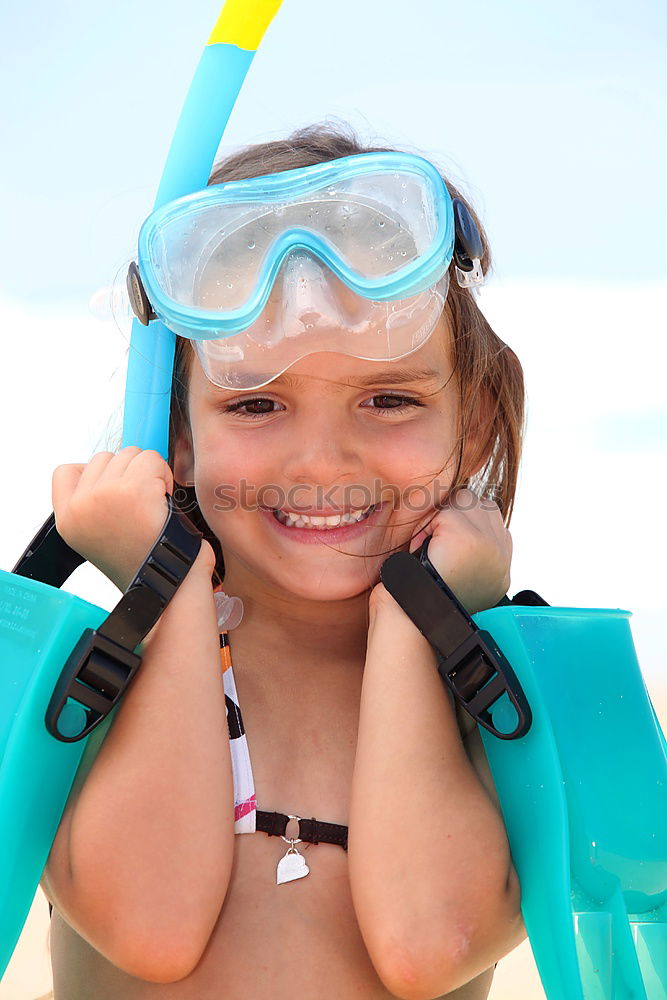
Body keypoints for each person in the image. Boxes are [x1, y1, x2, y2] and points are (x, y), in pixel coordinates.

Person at [42, 122, 528, 1000]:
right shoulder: (84, 683)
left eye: (389, 398)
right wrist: (166, 586)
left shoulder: (501, 708)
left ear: (479, 420)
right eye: (258, 403)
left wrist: (419, 627)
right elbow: (147, 927)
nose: (322, 463)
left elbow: (431, 943)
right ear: (174, 440)